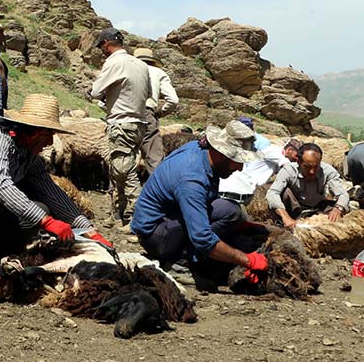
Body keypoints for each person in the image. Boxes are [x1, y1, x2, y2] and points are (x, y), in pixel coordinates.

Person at [0, 93, 112, 260]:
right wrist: (46, 221)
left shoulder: (29, 155)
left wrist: (88, 229)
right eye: (47, 134)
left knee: (38, 199)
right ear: (32, 131)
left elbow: (50, 191)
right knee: (37, 212)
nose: (50, 142)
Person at [130, 120, 268, 290]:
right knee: (208, 278)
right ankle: (178, 264)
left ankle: (194, 255)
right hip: (155, 234)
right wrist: (247, 260)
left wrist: (240, 224)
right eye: (236, 160)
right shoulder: (192, 180)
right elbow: (202, 237)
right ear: (220, 153)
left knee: (232, 212)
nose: (239, 168)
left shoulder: (201, 150)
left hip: (170, 217)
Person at [90, 28, 152, 225]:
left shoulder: (115, 62)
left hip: (121, 124)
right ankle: (117, 213)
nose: (101, 50)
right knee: (120, 168)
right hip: (139, 124)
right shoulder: (141, 65)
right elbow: (148, 92)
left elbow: (96, 91)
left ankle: (139, 218)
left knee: (126, 171)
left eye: (101, 46)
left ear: (107, 43)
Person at [266, 142, 352, 230]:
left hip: (318, 206)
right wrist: (285, 216)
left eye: (316, 167)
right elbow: (273, 193)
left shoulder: (328, 171)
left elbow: (342, 194)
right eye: (307, 167)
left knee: (345, 209)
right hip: (294, 207)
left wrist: (338, 209)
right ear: (299, 162)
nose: (312, 172)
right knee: (284, 193)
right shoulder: (288, 171)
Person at [132, 48, 179, 172]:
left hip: (123, 114)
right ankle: (158, 188)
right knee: (154, 157)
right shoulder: (157, 72)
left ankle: (121, 190)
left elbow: (102, 102)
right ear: (152, 61)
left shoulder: (125, 70)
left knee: (124, 155)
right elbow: (173, 100)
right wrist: (159, 112)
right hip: (147, 113)